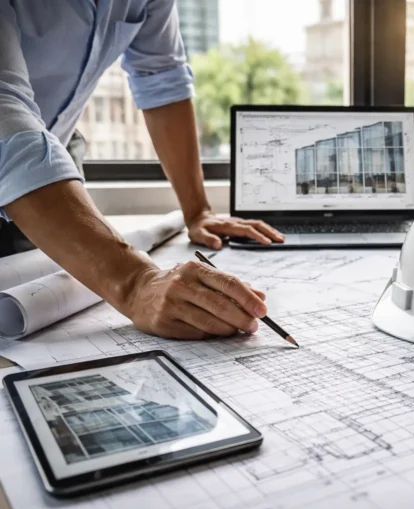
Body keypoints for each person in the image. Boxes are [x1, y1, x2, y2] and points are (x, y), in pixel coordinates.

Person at [0, 1, 286, 339]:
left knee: (24, 310)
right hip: (24, 159)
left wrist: (197, 212)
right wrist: (137, 284)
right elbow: (5, 113)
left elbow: (162, 77)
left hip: (41, 179)